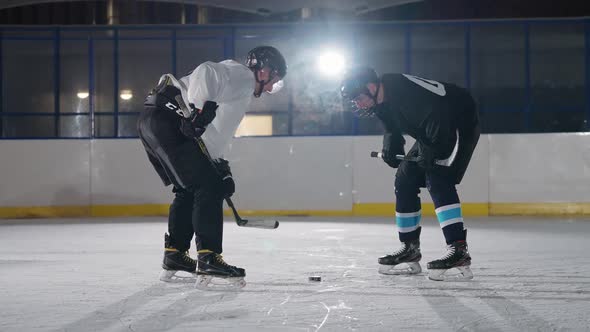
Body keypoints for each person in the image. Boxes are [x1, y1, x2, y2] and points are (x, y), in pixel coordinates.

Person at [137, 46, 287, 289]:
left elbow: (214, 133)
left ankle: (175, 254)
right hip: (169, 121)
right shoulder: (244, 77)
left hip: (154, 121)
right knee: (209, 187)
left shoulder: (238, 84)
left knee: (188, 188)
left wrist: (220, 165)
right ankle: (209, 257)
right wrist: (198, 112)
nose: (271, 88)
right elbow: (206, 72)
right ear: (264, 71)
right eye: (275, 81)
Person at [340, 67, 480, 281]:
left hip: (457, 120)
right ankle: (409, 247)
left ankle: (458, 250)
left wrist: (433, 151)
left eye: (358, 98)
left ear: (371, 87)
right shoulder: (380, 100)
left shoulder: (403, 91)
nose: (358, 104)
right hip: (433, 129)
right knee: (404, 179)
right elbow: (391, 128)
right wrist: (391, 147)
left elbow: (440, 112)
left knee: (437, 177)